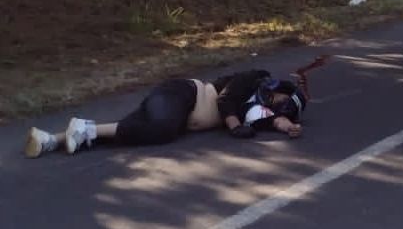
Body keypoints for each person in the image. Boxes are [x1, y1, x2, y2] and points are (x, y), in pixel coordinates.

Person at [23, 66, 311, 158]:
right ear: (275, 85)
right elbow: (225, 101)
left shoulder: (260, 111)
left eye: (278, 106)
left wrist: (290, 128)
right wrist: (235, 127)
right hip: (183, 93)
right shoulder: (252, 78)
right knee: (162, 131)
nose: (273, 104)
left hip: (178, 113)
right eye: (276, 98)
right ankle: (83, 129)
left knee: (129, 132)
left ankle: (51, 139)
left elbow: (278, 121)